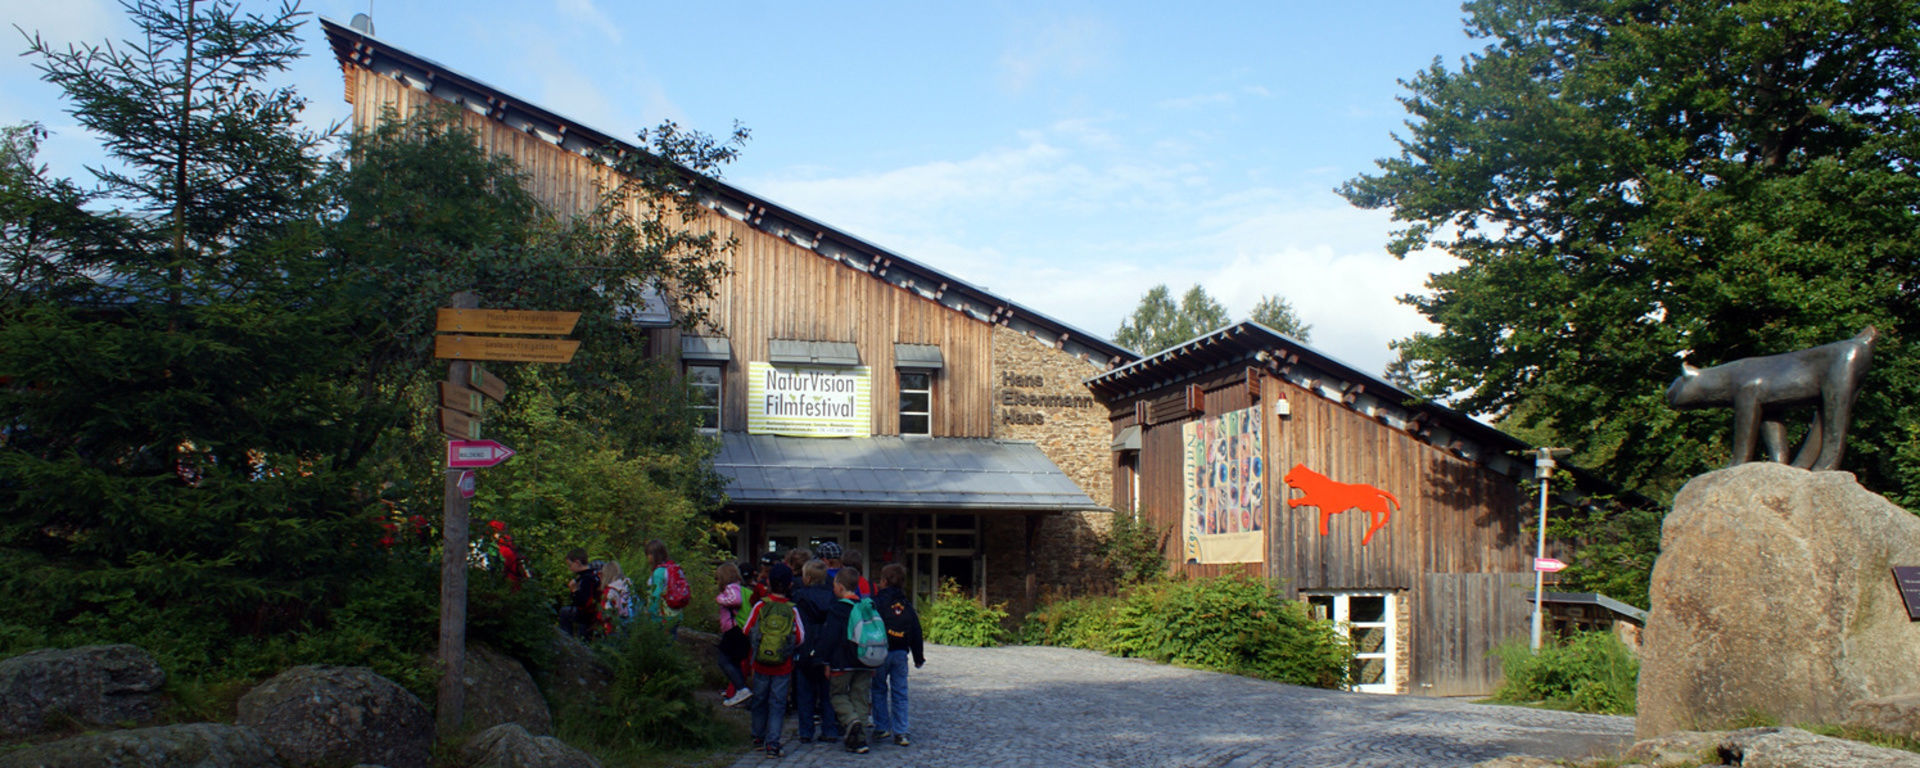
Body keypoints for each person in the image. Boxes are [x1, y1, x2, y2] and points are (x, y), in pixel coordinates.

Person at [743, 563, 803, 759]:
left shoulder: (761, 606)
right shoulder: (792, 610)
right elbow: (801, 637)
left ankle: (758, 737)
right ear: (790, 585)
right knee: (778, 703)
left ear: (768, 582)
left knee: (760, 699)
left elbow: (746, 629)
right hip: (783, 666)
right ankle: (773, 743)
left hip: (760, 663)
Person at [869, 563, 924, 747]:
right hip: (900, 652)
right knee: (900, 692)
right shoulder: (906, 605)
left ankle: (882, 726)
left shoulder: (875, 602)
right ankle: (901, 731)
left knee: (878, 689)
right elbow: (916, 631)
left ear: (883, 581)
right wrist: (918, 657)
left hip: (879, 652)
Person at [822, 566, 877, 753]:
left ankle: (851, 721)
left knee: (837, 695)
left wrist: (824, 661)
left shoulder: (837, 609)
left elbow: (830, 637)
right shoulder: (865, 607)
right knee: (860, 698)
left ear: (838, 586)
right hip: (864, 661)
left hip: (841, 662)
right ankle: (860, 741)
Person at [790, 558, 842, 745]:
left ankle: (806, 731)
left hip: (805, 648)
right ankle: (830, 729)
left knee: (805, 693)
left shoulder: (798, 597)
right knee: (828, 694)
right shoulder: (833, 597)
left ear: (808, 578)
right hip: (828, 650)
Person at [714, 561, 753, 708]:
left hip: (733, 630)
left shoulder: (731, 588)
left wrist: (720, 599)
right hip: (739, 631)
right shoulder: (740, 587)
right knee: (735, 662)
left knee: (723, 660)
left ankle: (742, 689)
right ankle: (738, 690)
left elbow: (735, 600)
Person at [644, 539, 682, 638]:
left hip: (663, 616)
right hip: (676, 612)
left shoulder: (659, 572)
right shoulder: (673, 567)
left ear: (653, 555)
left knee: (662, 645)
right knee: (671, 641)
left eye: (648, 554)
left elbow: (655, 595)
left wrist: (650, 613)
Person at [558, 548, 599, 640]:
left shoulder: (586, 579)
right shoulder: (593, 574)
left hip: (587, 615)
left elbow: (583, 602)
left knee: (564, 613)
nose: (570, 568)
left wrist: (574, 590)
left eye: (570, 565)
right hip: (592, 613)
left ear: (577, 563)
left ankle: (566, 640)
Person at [598, 560, 634, 638]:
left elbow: (606, 612)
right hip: (631, 623)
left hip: (614, 628)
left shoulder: (610, 591)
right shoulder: (629, 586)